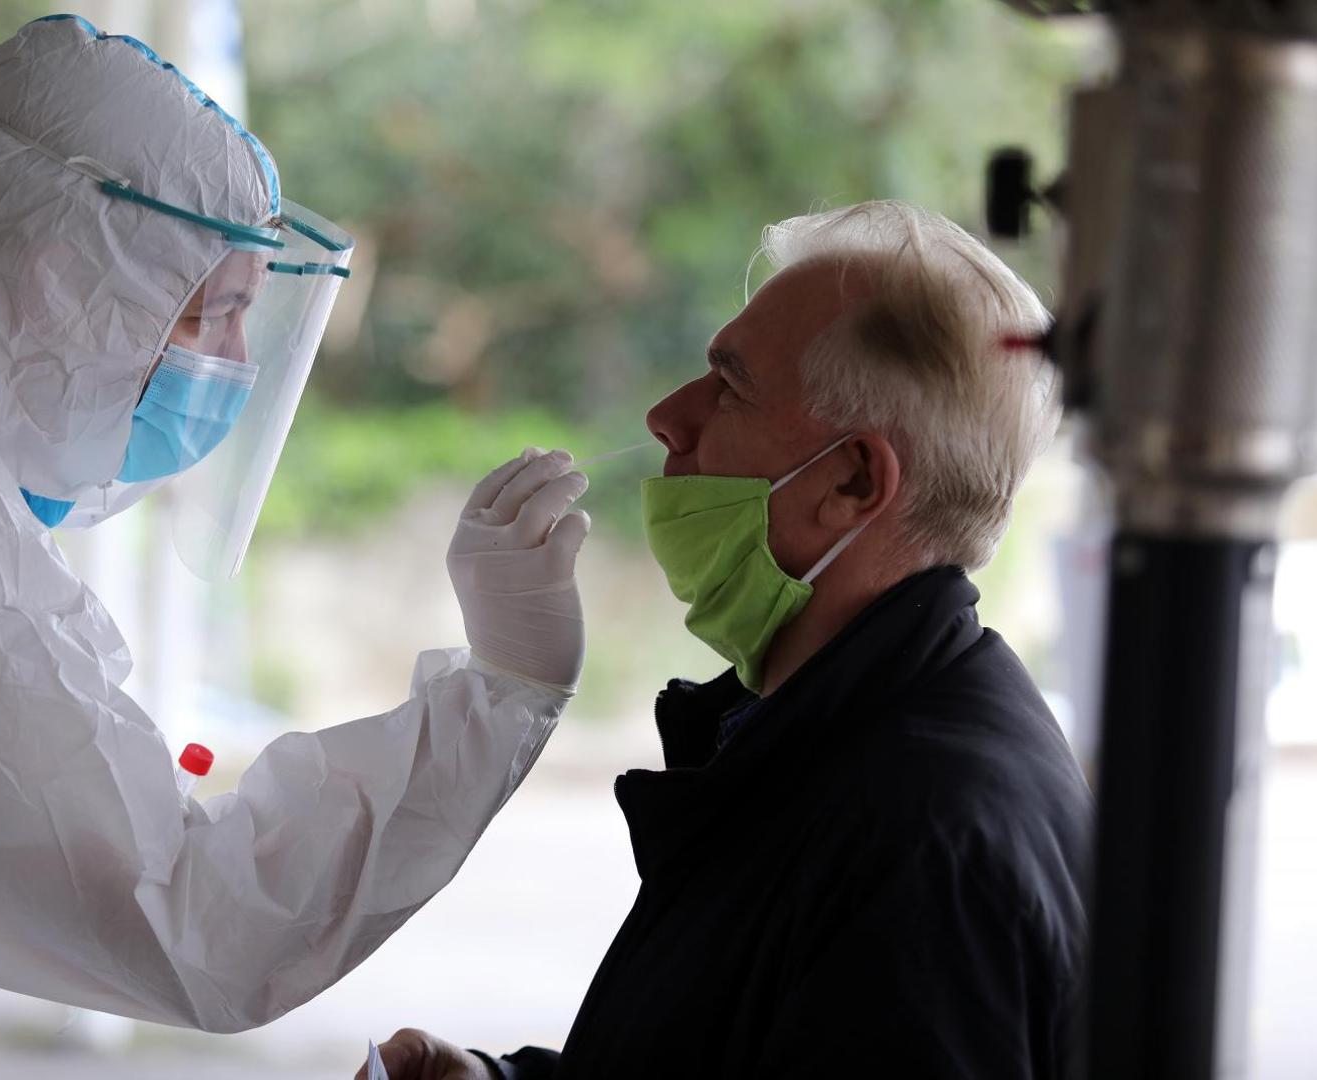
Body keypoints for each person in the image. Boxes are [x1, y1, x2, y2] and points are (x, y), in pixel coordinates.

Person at [0, 16, 590, 1079]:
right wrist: (503, 692)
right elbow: (201, 924)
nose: (233, 364)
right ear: (55, 281)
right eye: (211, 315)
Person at [367, 202, 1092, 1079]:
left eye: (730, 387)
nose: (667, 417)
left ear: (853, 480)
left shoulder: (926, 844)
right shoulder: (826, 734)